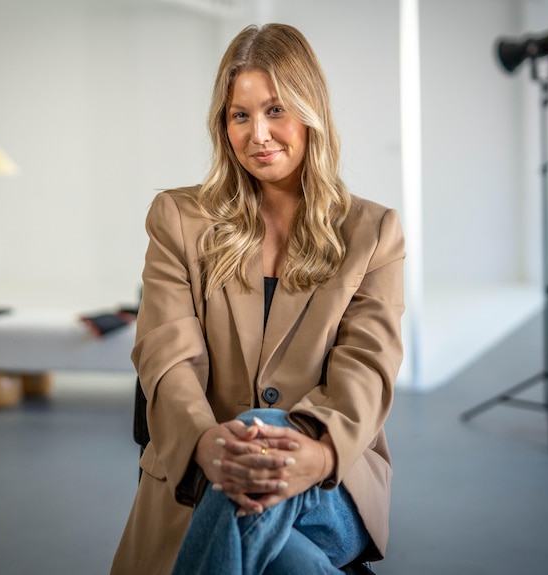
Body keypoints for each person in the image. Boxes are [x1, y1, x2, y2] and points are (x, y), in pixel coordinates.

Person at [110, 23, 405, 575]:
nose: (258, 134)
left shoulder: (373, 232)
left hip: (326, 481)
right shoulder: (179, 219)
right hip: (202, 473)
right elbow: (166, 356)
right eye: (239, 115)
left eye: (275, 111)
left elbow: (367, 370)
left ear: (309, 112)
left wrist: (314, 454)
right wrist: (208, 446)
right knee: (281, 558)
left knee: (262, 426)